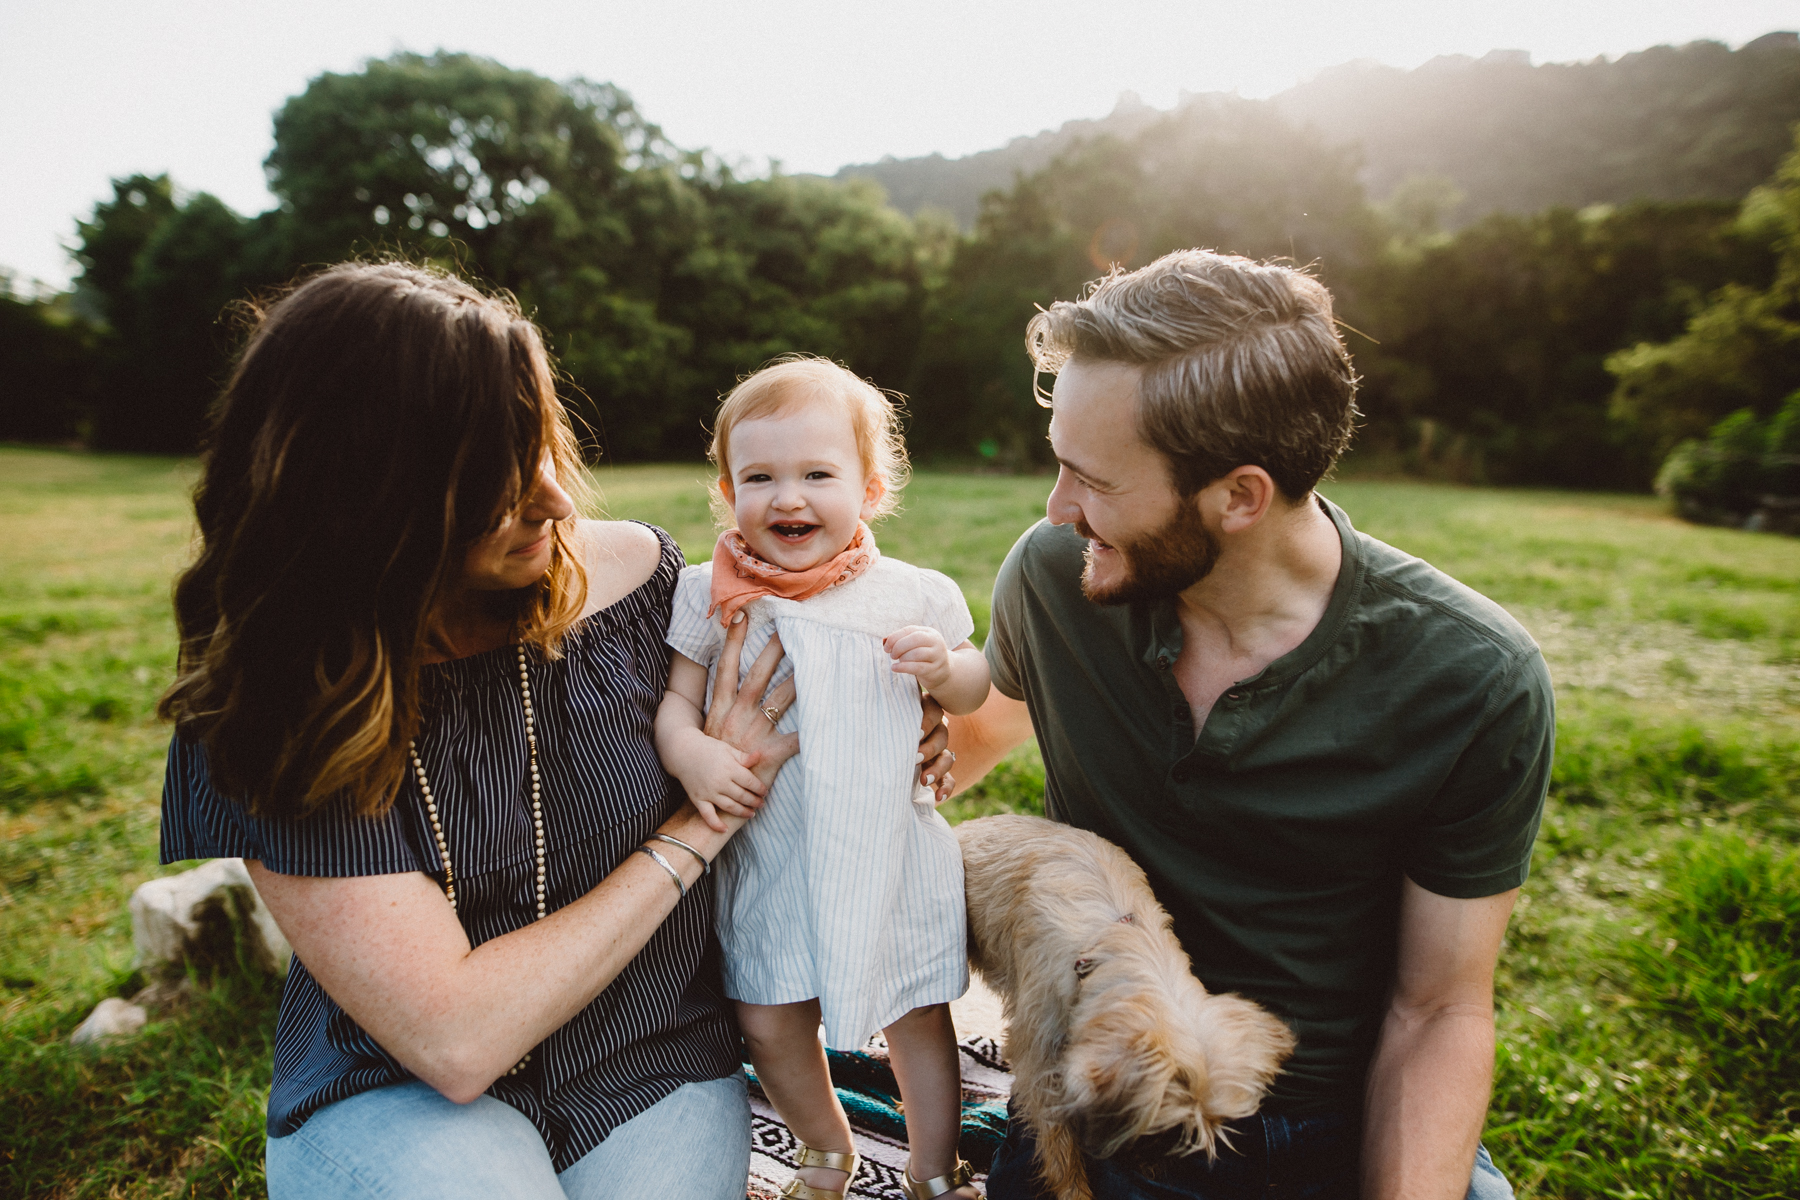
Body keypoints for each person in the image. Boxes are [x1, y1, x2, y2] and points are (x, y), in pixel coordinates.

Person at [154, 263, 958, 1199]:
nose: (559, 501)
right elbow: (455, 1039)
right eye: (498, 482)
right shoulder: (281, 698)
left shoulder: (649, 588)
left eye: (544, 448)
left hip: (648, 1057)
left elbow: (830, 685)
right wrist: (701, 826)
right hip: (406, 1086)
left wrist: (917, 721)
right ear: (372, 501)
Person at [949, 250, 1551, 1200]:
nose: (1057, 510)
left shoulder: (1472, 677)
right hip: (1111, 1090)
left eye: (1092, 481)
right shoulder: (1054, 577)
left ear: (1239, 496)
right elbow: (969, 739)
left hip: (1336, 1113)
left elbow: (1438, 1010)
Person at [655, 357, 990, 1200]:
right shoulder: (710, 595)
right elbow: (675, 706)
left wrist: (944, 672)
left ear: (871, 489)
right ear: (728, 492)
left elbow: (977, 682)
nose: (788, 498)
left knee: (915, 1010)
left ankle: (933, 1162)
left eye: (817, 474)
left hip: (888, 851)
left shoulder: (910, 593)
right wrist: (694, 755)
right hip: (774, 856)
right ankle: (825, 1144)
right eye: (760, 477)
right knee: (769, 1021)